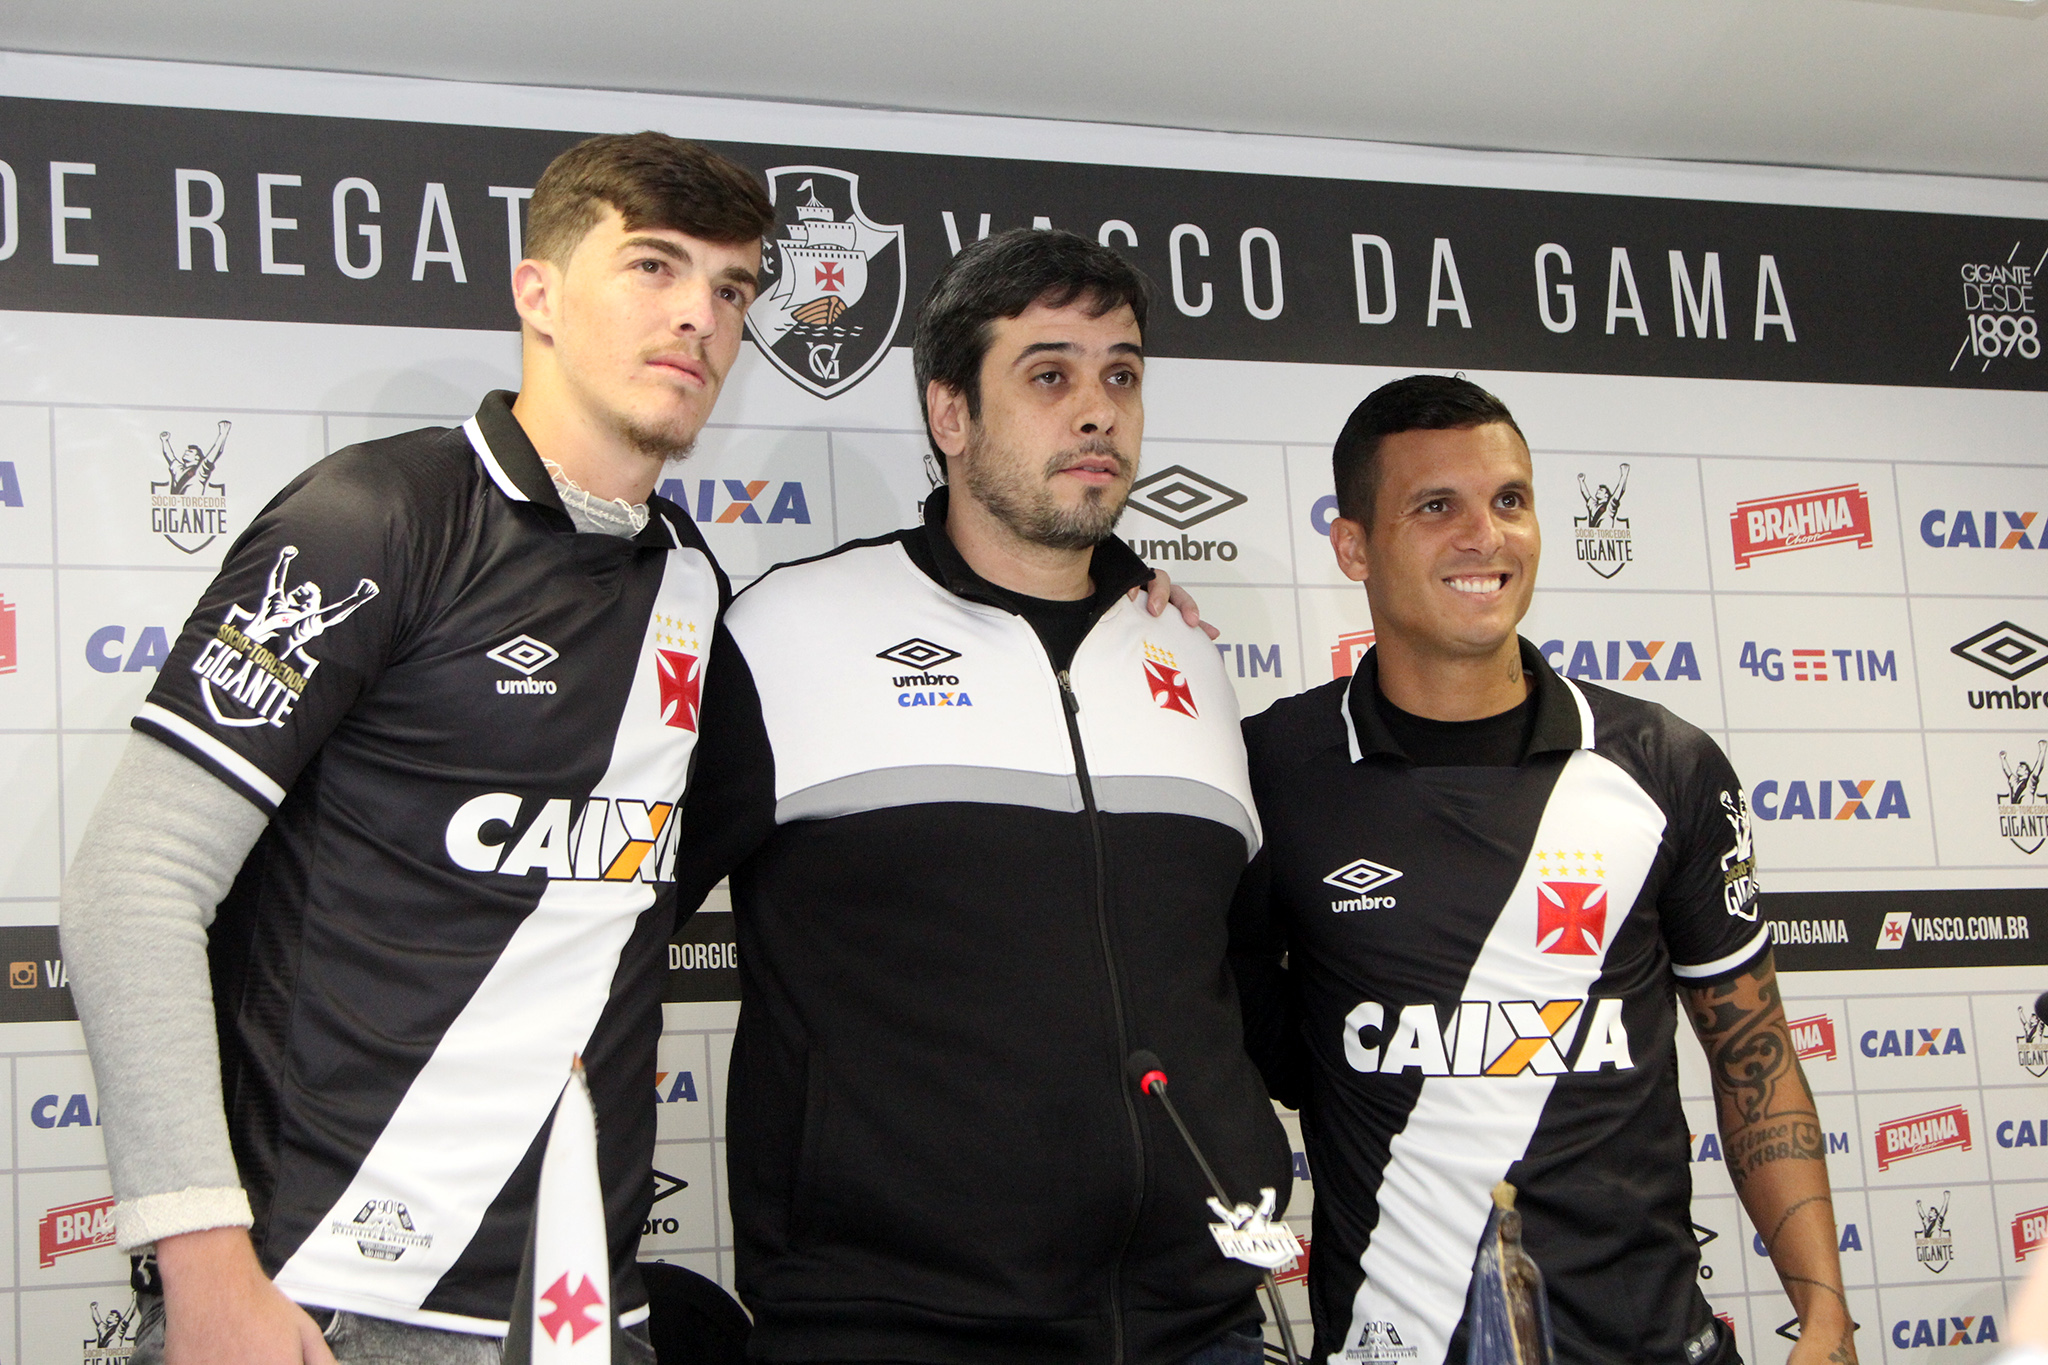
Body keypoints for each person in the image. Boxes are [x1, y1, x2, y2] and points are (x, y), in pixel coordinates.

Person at [60, 130, 777, 1364]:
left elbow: (656, 880)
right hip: (323, 1303)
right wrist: (204, 1262)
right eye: (653, 266)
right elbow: (134, 883)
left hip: (580, 1309)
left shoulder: (688, 581)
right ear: (537, 292)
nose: (698, 318)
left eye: (731, 289)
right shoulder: (376, 515)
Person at [669, 228, 1292, 1364]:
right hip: (892, 1329)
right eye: (1049, 375)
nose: (1097, 411)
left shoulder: (1187, 653)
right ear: (949, 415)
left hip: (1195, 1325)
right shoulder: (789, 631)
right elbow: (612, 922)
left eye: (1121, 375)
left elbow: (1228, 978)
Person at [1232, 375, 1855, 1365]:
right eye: (1436, 506)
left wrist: (1822, 1312)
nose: (1484, 536)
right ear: (1353, 546)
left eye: (1509, 500)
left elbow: (1755, 1056)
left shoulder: (1663, 763)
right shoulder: (1267, 770)